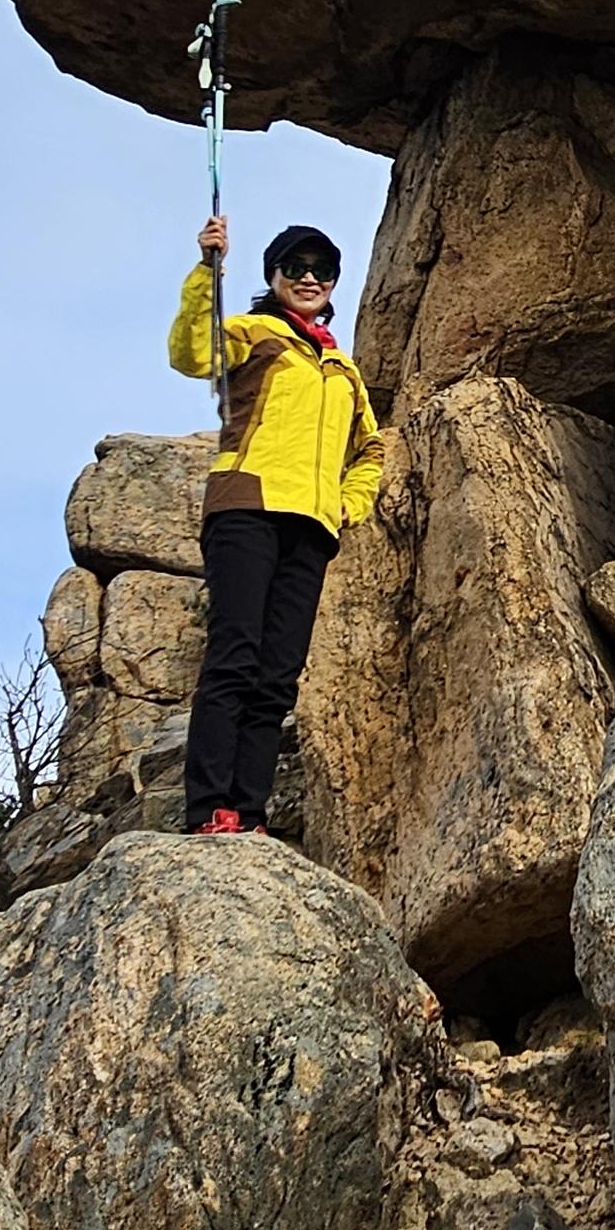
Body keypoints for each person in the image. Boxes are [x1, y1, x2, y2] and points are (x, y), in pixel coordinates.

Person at [169, 218, 382, 835]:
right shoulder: (253, 332)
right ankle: (209, 808)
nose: (310, 278)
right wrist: (207, 270)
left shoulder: (343, 369)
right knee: (234, 657)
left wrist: (347, 503)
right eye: (296, 267)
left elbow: (370, 448)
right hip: (247, 506)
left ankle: (249, 812)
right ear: (274, 276)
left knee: (278, 676)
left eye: (322, 270)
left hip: (312, 526)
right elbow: (192, 353)